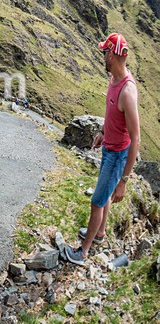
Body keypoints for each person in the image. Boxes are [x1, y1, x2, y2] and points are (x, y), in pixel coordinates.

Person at [65, 33, 141, 265]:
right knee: (103, 194)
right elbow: (112, 113)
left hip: (118, 155)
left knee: (97, 202)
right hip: (109, 147)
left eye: (105, 52)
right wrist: (103, 132)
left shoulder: (127, 92)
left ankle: (83, 252)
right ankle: (99, 233)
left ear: (111, 55)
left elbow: (136, 138)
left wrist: (124, 181)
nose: (103, 56)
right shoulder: (114, 80)